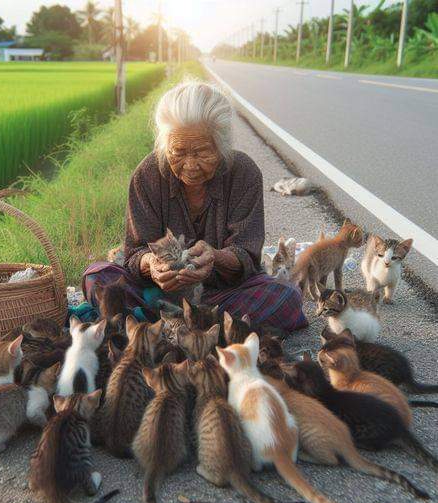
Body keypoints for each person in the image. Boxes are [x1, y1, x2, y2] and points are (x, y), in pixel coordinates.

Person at [82, 81, 307, 332]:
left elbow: (247, 254)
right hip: (157, 294)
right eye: (178, 151)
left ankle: (153, 326)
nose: (190, 164)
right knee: (96, 277)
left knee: (286, 296)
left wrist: (215, 257)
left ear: (221, 147)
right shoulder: (146, 176)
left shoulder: (244, 173)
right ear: (165, 146)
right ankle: (211, 327)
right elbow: (134, 253)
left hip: (223, 293)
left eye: (201, 152)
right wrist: (153, 266)